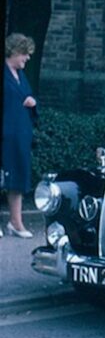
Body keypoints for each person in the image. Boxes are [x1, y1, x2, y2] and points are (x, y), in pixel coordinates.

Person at [2, 33, 38, 238]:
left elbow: (28, 97)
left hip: (20, 135)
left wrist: (32, 102)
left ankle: (16, 223)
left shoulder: (21, 75)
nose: (28, 58)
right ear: (14, 52)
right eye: (25, 53)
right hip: (5, 133)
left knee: (17, 179)